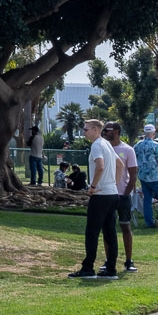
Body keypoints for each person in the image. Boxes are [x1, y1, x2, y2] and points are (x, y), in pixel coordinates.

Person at [70, 119, 123, 279]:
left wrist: (92, 186)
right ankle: (111, 269)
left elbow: (100, 166)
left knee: (92, 232)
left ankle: (88, 268)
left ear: (95, 129)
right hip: (112, 194)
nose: (84, 132)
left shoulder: (97, 145)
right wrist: (114, 184)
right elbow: (119, 164)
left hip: (100, 195)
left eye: (86, 129)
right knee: (110, 232)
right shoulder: (106, 144)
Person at [106, 123, 138, 273]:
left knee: (125, 226)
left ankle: (129, 260)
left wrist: (125, 194)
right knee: (107, 229)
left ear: (117, 131)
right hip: (106, 195)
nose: (104, 132)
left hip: (122, 195)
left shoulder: (127, 150)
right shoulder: (103, 147)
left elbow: (133, 175)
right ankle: (109, 260)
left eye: (107, 130)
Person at [133, 126, 158, 229]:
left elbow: (133, 160)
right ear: (154, 133)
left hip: (143, 176)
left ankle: (149, 222)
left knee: (147, 199)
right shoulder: (155, 145)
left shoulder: (137, 145)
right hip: (155, 176)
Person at [26, 123, 46, 187]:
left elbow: (28, 144)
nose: (31, 132)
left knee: (33, 170)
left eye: (32, 130)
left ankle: (33, 182)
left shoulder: (33, 137)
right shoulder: (41, 138)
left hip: (33, 155)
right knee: (40, 170)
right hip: (39, 156)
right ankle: (40, 182)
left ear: (35, 131)